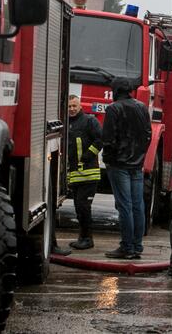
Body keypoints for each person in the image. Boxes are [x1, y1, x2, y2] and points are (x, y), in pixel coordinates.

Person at [101, 77, 151, 259]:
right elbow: (147, 135)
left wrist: (108, 158)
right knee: (138, 205)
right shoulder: (141, 107)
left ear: (115, 91)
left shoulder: (114, 109)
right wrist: (140, 156)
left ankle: (127, 247)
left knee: (125, 206)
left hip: (118, 164)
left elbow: (108, 138)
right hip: (136, 164)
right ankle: (137, 246)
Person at [66, 95, 102, 250]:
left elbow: (100, 140)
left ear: (80, 106)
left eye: (75, 106)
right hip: (75, 175)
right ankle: (83, 238)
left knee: (83, 206)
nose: (72, 109)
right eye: (69, 106)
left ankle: (87, 239)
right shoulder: (67, 123)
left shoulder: (90, 121)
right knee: (78, 207)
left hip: (89, 173)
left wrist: (88, 155)